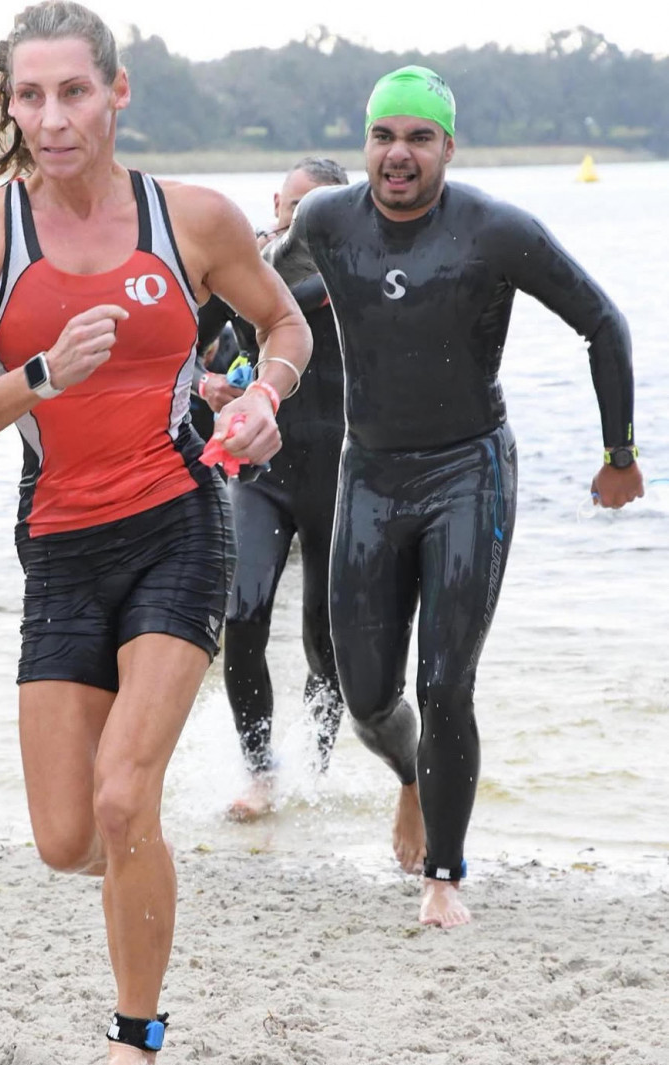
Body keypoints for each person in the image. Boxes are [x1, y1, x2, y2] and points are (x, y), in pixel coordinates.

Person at [0, 4, 311, 1065]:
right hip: (57, 544)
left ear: (116, 92)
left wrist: (263, 395)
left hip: (178, 521)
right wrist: (40, 377)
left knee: (125, 794)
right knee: (68, 840)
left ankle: (135, 1041)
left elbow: (285, 325)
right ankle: (145, 864)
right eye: (29, 96)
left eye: (73, 92)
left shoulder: (191, 219)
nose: (51, 119)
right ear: (9, 104)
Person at [268, 65, 644, 928]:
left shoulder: (495, 231)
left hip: (467, 472)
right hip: (369, 472)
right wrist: (219, 370)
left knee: (445, 681)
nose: (398, 154)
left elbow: (602, 323)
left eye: (418, 138)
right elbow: (259, 291)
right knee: (366, 696)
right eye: (383, 136)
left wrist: (618, 453)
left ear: (448, 147)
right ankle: (411, 776)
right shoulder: (325, 220)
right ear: (365, 143)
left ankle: (444, 875)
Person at [194, 158, 350, 821]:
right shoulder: (244, 273)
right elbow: (184, 346)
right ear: (277, 204)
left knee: (326, 641)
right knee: (242, 619)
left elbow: (309, 295)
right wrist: (208, 385)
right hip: (264, 479)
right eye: (295, 209)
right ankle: (259, 770)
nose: (303, 225)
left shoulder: (353, 274)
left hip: (341, 479)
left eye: (321, 214)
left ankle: (313, 767)